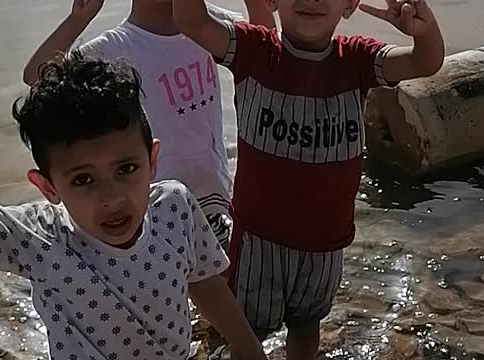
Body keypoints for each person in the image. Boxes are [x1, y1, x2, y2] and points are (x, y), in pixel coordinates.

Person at [0, 50, 267, 360]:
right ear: (47, 187)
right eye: (83, 180)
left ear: (152, 160)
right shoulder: (40, 238)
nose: (112, 198)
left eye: (126, 169)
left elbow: (204, 282)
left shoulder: (174, 206)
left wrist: (248, 347)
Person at [171, 0, 445, 358]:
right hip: (259, 242)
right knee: (243, 331)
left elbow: (425, 62)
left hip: (325, 245)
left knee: (306, 325)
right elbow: (191, 20)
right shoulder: (254, 51)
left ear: (349, 4)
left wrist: (424, 32)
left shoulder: (357, 61)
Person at [22, 0, 275, 251]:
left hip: (212, 194)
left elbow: (266, 52)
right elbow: (38, 76)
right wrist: (79, 19)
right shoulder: (120, 45)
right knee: (166, 280)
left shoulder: (204, 23)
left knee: (216, 277)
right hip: (155, 204)